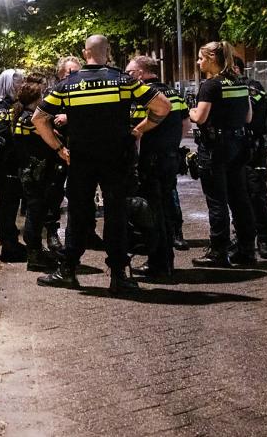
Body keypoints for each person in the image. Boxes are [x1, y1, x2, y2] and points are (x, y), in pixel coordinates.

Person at [32, 35, 171, 295]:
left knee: (78, 213)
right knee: (116, 214)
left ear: (85, 53)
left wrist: (59, 148)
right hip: (116, 158)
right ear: (107, 52)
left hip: (81, 159)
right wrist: (139, 130)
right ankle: (119, 275)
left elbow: (39, 119)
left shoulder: (68, 85)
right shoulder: (124, 81)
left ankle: (68, 270)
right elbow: (163, 106)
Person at [189, 42, 256, 267]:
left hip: (215, 148)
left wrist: (190, 111)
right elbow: (248, 117)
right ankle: (247, 249)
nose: (198, 62)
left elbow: (200, 117)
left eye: (201, 58)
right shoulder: (240, 82)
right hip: (239, 145)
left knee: (217, 200)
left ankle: (218, 251)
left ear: (211, 59)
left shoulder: (210, 86)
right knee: (240, 198)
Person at [125, 56, 190, 280]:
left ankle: (159, 263)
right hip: (170, 158)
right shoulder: (174, 94)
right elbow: (185, 124)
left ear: (140, 73)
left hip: (150, 161)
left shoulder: (143, 97)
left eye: (130, 72)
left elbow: (136, 132)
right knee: (166, 207)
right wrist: (170, 146)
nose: (127, 76)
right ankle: (166, 260)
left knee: (152, 213)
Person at [11, 73, 62, 271]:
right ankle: (34, 254)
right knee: (36, 213)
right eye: (41, 96)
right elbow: (51, 137)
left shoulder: (22, 116)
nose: (44, 99)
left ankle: (36, 251)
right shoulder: (31, 120)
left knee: (36, 211)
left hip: (30, 171)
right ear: (35, 99)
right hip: (36, 172)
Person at [235, 57, 267, 259]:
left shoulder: (253, 87)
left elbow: (247, 113)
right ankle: (243, 240)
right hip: (234, 150)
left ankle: (264, 239)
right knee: (237, 197)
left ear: (236, 68)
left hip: (253, 151)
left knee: (256, 194)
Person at [42, 56, 83, 254]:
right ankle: (52, 233)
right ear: (60, 74)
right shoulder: (53, 93)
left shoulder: (84, 91)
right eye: (70, 72)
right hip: (58, 151)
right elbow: (41, 119)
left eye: (77, 72)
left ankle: (86, 232)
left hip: (81, 149)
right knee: (54, 192)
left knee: (82, 194)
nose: (74, 76)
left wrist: (70, 116)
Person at [0, 68, 27, 261]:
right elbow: (3, 132)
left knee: (12, 202)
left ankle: (11, 240)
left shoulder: (11, 103)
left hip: (12, 160)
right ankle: (8, 245)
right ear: (10, 83)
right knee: (8, 202)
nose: (22, 85)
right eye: (19, 82)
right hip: (5, 161)